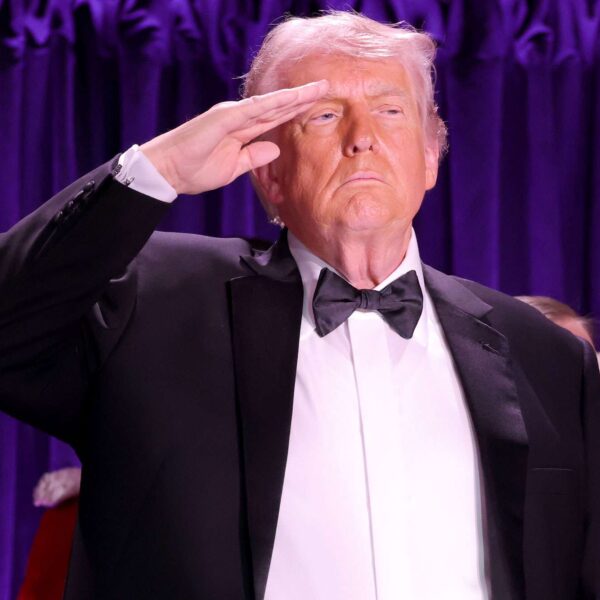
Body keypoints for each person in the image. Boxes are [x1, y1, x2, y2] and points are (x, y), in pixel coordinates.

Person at [0, 11, 599, 600]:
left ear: (430, 154)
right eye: (324, 114)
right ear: (269, 172)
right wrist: (160, 170)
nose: (361, 137)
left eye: (390, 110)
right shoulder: (149, 305)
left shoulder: (549, 358)